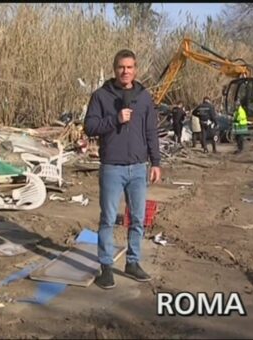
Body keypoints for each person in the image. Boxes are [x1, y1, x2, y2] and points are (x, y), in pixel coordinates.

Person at [84, 49, 161, 289]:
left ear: (135, 70)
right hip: (112, 168)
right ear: (114, 69)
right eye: (121, 67)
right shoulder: (101, 96)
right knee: (107, 219)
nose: (125, 71)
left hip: (138, 168)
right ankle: (106, 267)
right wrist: (115, 119)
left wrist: (156, 162)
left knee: (137, 219)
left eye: (129, 67)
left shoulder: (144, 97)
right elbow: (90, 126)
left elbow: (150, 132)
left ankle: (133, 262)